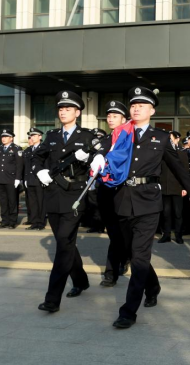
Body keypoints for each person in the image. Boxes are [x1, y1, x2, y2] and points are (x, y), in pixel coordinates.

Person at [106, 87, 190, 329]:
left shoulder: (161, 137)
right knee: (133, 253)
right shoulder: (119, 134)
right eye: (133, 104)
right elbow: (105, 158)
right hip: (123, 199)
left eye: (142, 105)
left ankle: (128, 312)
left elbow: (178, 167)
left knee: (139, 255)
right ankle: (154, 285)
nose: (136, 108)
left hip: (148, 201)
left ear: (152, 110)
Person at [32, 91, 104, 312]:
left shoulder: (86, 136)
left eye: (68, 109)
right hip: (53, 195)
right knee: (67, 243)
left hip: (75, 194)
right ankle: (81, 280)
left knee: (63, 244)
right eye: (61, 109)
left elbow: (102, 150)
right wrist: (40, 170)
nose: (63, 112)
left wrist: (97, 158)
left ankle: (53, 299)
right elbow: (36, 155)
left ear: (78, 112)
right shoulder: (52, 136)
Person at [97, 102, 132, 287]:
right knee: (113, 232)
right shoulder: (105, 139)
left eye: (115, 116)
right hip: (105, 190)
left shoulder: (129, 138)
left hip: (123, 190)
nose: (110, 118)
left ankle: (119, 264)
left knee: (123, 232)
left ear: (124, 119)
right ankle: (113, 269)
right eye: (109, 116)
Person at [157, 130, 188, 245]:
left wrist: (185, 187)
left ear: (177, 139)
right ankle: (166, 235)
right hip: (164, 187)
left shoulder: (181, 153)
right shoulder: (162, 152)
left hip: (177, 188)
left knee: (178, 213)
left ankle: (178, 235)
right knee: (166, 213)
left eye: (171, 139)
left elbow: (185, 172)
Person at [0, 129, 23, 229]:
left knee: (12, 201)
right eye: (2, 137)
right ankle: (4, 221)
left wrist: (18, 179)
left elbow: (19, 165)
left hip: (11, 179)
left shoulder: (16, 149)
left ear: (11, 138)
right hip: (1, 179)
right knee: (3, 201)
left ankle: (12, 221)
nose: (3, 139)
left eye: (6, 137)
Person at [22, 128, 46, 230]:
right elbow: (27, 166)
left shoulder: (43, 148)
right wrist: (26, 179)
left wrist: (46, 178)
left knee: (41, 202)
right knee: (33, 203)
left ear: (40, 137)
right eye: (31, 135)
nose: (32, 137)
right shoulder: (29, 150)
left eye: (35, 135)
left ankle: (41, 223)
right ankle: (34, 222)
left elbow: (47, 164)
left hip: (40, 180)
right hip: (31, 180)